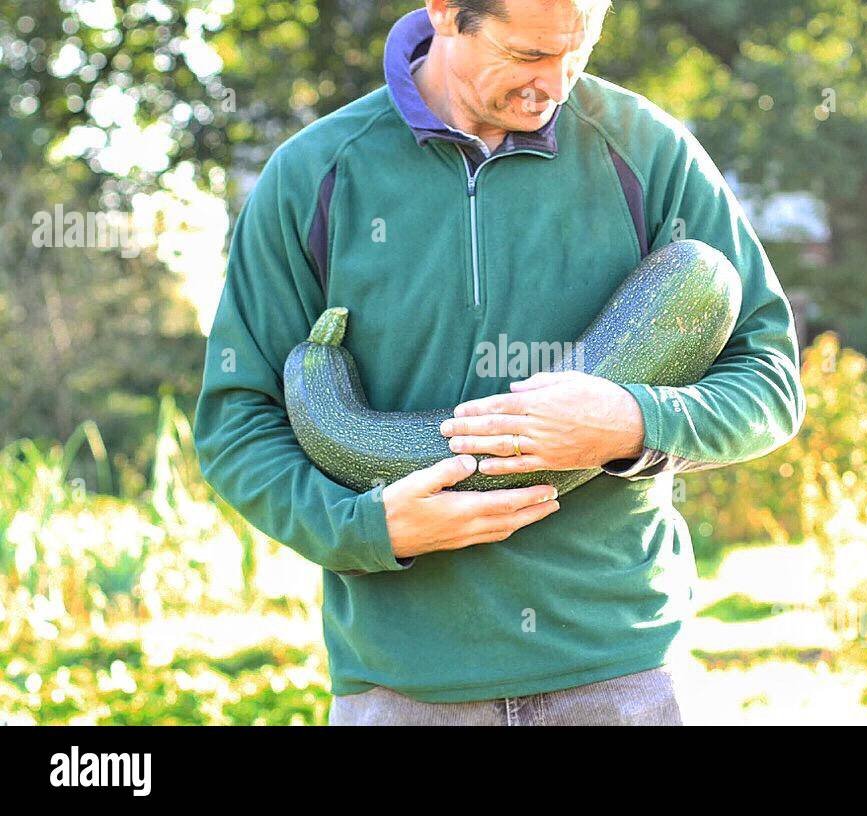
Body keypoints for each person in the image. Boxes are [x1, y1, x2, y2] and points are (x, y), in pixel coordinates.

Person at [193, 0, 806, 726]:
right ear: (446, 12)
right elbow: (237, 420)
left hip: (619, 671)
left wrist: (633, 422)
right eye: (526, 56)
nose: (554, 83)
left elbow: (767, 381)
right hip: (401, 686)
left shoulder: (645, 150)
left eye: (574, 52)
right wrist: (366, 529)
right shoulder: (314, 175)